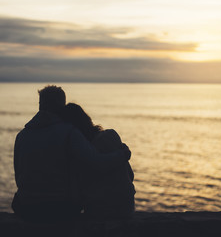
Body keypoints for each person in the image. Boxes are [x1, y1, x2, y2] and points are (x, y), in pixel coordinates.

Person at [11, 85, 131, 223]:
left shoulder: (22, 135)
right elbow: (96, 163)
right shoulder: (69, 133)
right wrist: (122, 155)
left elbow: (18, 175)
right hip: (59, 208)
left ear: (40, 104)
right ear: (61, 105)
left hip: (25, 207)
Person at [62, 103, 136, 220]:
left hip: (100, 210)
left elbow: (77, 190)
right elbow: (130, 175)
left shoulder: (80, 151)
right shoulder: (111, 135)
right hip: (126, 206)